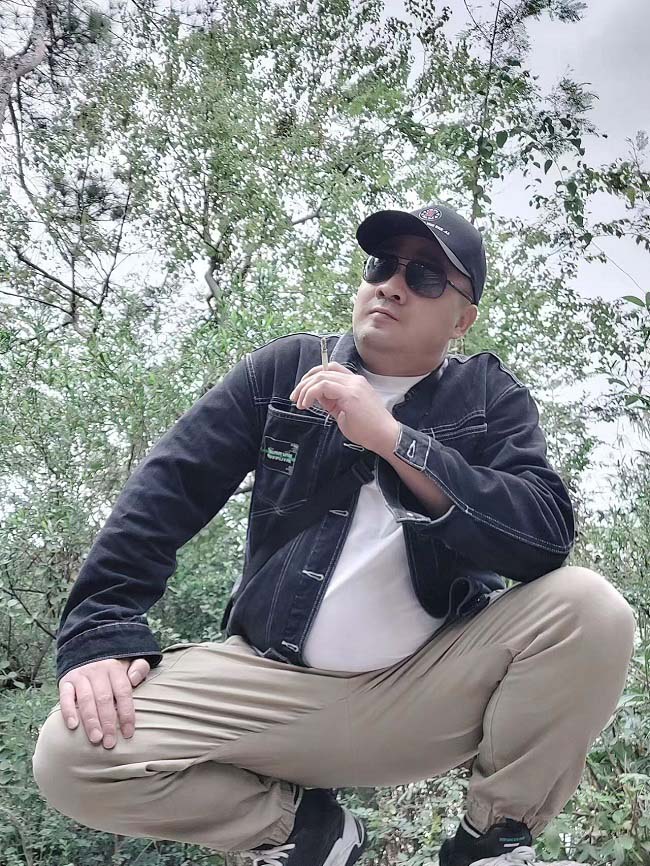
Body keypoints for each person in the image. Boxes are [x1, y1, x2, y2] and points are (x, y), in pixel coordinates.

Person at [32, 203, 635, 866]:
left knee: (590, 608)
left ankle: (492, 843)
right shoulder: (283, 370)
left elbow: (543, 536)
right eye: (382, 265)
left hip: (422, 696)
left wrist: (395, 440)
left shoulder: (489, 397)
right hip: (265, 684)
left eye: (425, 276)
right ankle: (308, 833)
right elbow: (168, 489)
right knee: (73, 754)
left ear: (462, 320)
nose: (393, 285)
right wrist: (100, 629)